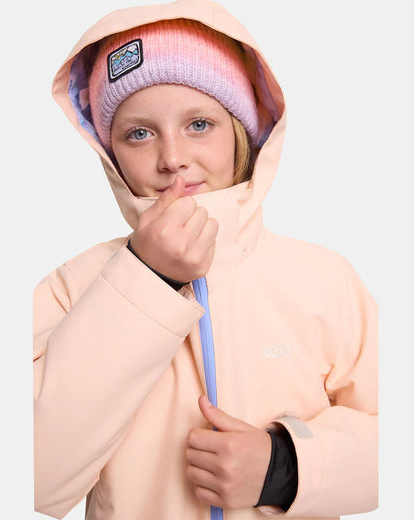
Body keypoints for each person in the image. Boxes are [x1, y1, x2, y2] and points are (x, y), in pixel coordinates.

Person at [33, 0, 378, 519]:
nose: (172, 158)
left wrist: (286, 467)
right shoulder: (73, 288)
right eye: (139, 133)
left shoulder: (325, 281)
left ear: (241, 130)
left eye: (199, 124)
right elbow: (36, 478)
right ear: (110, 152)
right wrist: (146, 279)